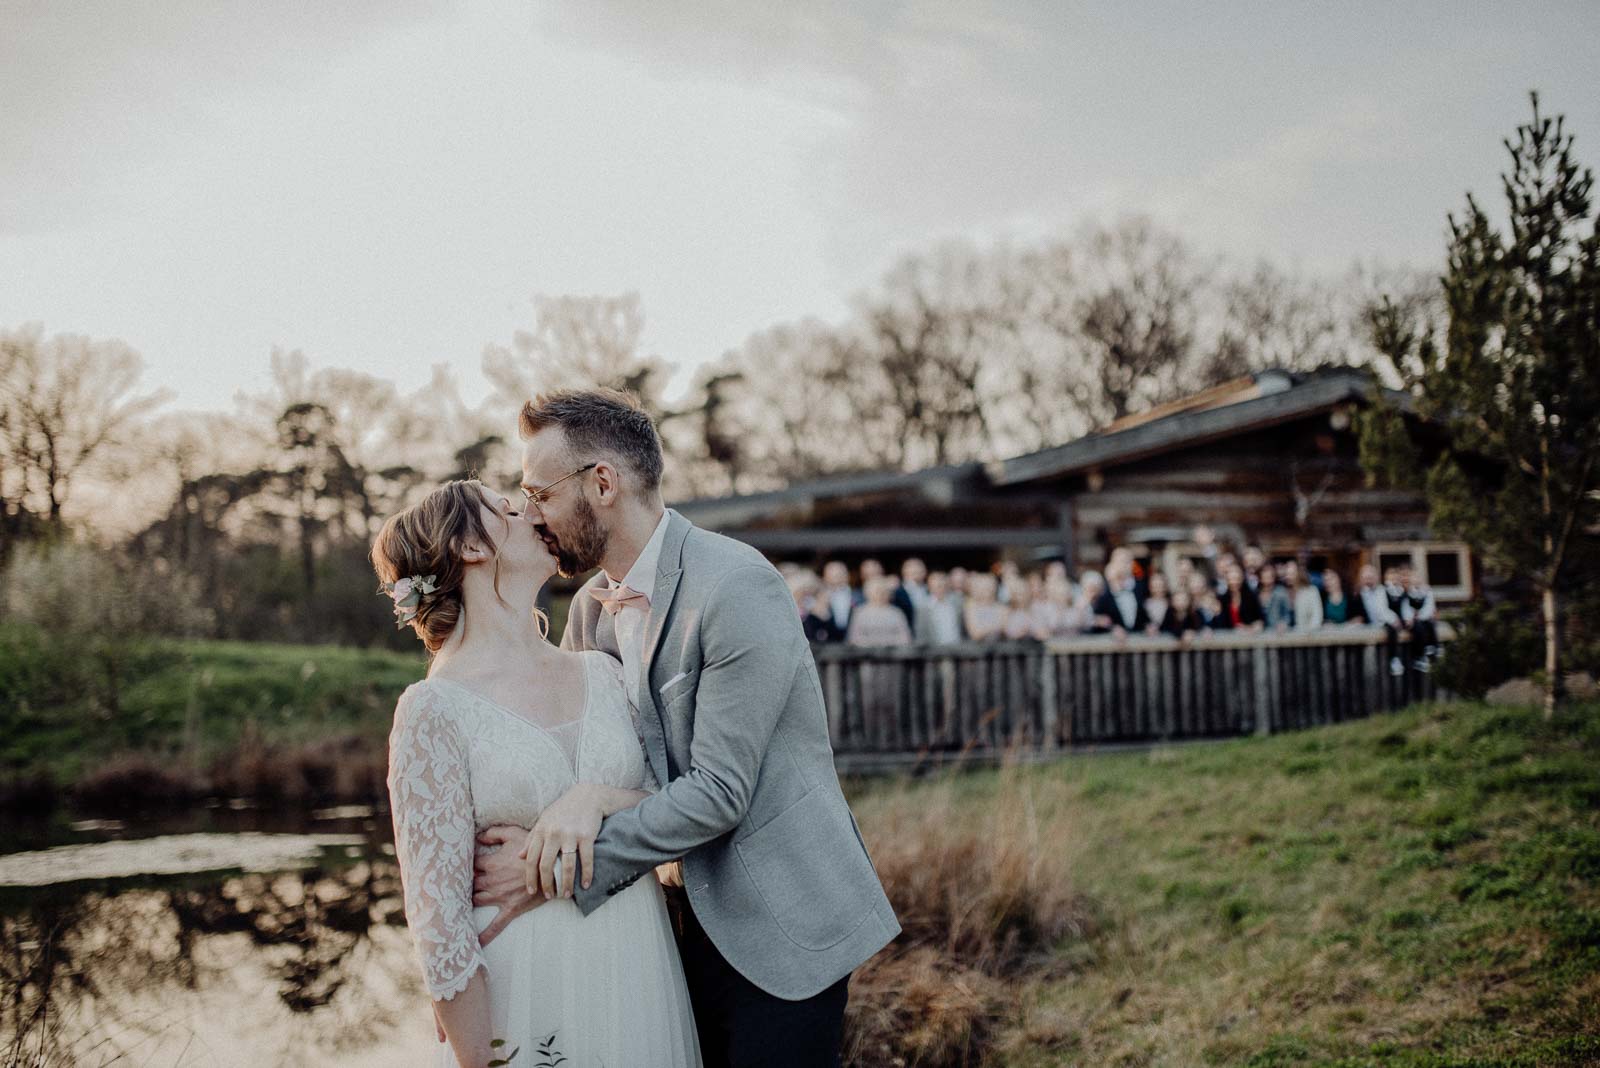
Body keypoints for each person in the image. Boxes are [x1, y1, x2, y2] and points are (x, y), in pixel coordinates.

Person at [471, 390, 899, 1067]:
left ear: (602, 483)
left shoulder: (736, 587)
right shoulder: (589, 610)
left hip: (783, 923)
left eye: (539, 493)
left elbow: (720, 793)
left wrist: (545, 874)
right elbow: (620, 765)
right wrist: (589, 797)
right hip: (668, 927)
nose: (532, 515)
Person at [374, 480, 702, 1068]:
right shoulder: (433, 709)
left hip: (634, 964)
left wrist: (595, 800)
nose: (530, 512)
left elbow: (670, 808)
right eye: (505, 508)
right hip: (525, 979)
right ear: (470, 546)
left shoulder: (603, 673)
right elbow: (439, 927)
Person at [1355, 564, 1405, 676]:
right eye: (1366, 577)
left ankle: (1394, 660)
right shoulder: (1357, 594)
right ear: (1361, 579)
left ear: (1376, 577)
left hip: (1385, 628)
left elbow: (1384, 609)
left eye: (1371, 576)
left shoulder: (1384, 590)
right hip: (1366, 631)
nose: (1369, 580)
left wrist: (1394, 619)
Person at [848, 576, 915, 647]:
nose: (880, 594)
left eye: (884, 591)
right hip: (866, 655)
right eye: (877, 591)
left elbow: (905, 638)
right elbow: (854, 638)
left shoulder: (897, 613)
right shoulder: (859, 613)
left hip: (893, 655)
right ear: (867, 593)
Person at [1091, 560, 1147, 635]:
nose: (1120, 580)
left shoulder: (1135, 594)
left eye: (1123, 577)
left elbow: (1143, 616)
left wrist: (1148, 625)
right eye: (1117, 577)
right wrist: (1112, 629)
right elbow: (1097, 623)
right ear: (1109, 578)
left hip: (1136, 640)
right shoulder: (1103, 598)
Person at [918, 571, 965, 645]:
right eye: (936, 585)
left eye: (941, 585)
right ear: (929, 586)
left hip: (959, 649)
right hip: (935, 651)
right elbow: (921, 633)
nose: (939, 588)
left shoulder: (958, 602)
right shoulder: (923, 607)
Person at [818, 561, 860, 643]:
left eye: (840, 574)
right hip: (827, 645)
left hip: (853, 643)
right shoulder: (819, 598)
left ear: (847, 576)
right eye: (833, 575)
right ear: (825, 577)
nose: (836, 577)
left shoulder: (858, 597)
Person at [1219, 561, 1264, 632]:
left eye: (1236, 579)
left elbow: (1260, 620)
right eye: (1231, 579)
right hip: (1229, 637)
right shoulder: (1223, 598)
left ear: (1242, 579)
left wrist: (1248, 628)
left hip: (1249, 637)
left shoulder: (1251, 596)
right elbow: (1221, 624)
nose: (1234, 582)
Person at [962, 573, 1007, 641]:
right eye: (983, 586)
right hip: (978, 649)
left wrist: (984, 629)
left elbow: (1005, 629)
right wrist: (996, 627)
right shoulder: (971, 608)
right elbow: (975, 634)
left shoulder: (1002, 607)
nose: (987, 590)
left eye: (989, 586)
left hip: (1000, 648)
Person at [1281, 560, 1323, 630]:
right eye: (1286, 574)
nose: (1288, 577)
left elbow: (1317, 617)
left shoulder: (1311, 591)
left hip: (1306, 635)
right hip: (1285, 636)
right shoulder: (1282, 592)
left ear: (1298, 573)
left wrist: (1308, 633)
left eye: (1291, 574)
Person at [1258, 563, 1294, 631]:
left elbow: (1287, 614)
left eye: (1269, 576)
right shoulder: (1256, 593)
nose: (1267, 579)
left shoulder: (1281, 592)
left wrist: (1284, 623)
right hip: (1260, 633)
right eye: (1264, 576)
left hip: (1277, 632)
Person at [1142, 571, 1172, 635]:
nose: (1158, 589)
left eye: (1160, 585)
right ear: (1150, 587)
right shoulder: (1145, 604)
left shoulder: (1171, 603)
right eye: (1155, 585)